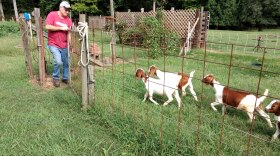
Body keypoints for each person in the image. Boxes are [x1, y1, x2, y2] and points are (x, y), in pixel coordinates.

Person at [45, 1, 72, 87]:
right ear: (61, 8)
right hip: (53, 44)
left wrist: (69, 45)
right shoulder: (52, 15)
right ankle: (56, 77)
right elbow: (48, 26)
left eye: (69, 10)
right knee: (58, 62)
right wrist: (61, 28)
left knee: (66, 62)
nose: (67, 12)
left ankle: (65, 77)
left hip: (64, 45)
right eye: (66, 9)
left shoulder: (68, 20)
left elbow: (69, 33)